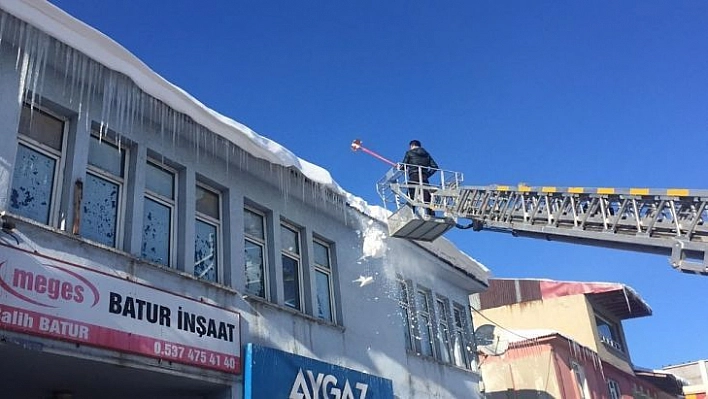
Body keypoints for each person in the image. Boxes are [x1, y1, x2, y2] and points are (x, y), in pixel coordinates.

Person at [400, 140, 438, 214]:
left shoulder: (409, 153)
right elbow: (435, 167)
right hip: (424, 178)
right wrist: (427, 175)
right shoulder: (426, 154)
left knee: (411, 196)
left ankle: (411, 213)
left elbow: (403, 167)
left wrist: (399, 167)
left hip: (414, 176)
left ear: (411, 146)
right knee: (427, 197)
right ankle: (431, 214)